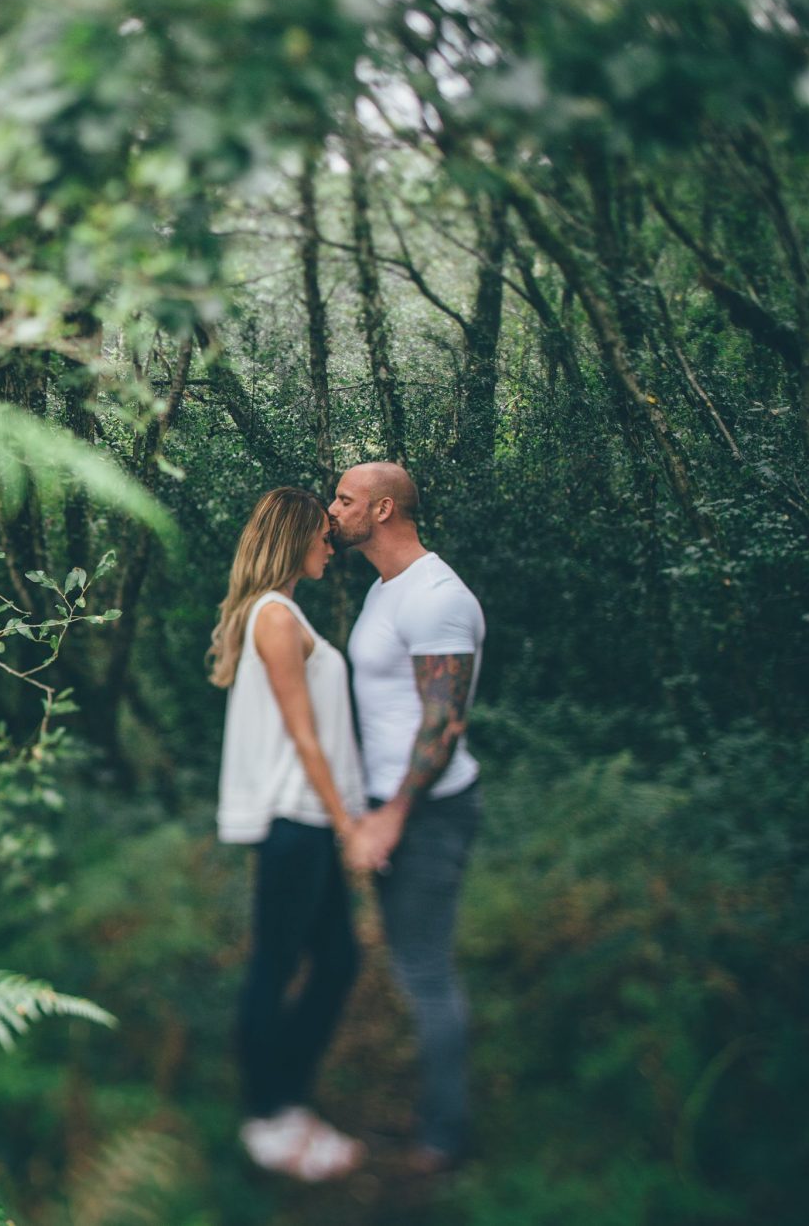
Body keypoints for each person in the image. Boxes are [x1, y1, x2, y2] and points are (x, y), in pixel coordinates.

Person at [329, 462, 486, 1174]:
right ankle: (428, 1108)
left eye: (345, 499)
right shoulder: (385, 586)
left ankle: (444, 1136)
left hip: (426, 810)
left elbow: (443, 721)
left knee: (425, 970)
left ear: (384, 509)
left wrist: (392, 814)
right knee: (408, 959)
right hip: (392, 804)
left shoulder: (436, 597)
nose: (333, 509)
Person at [210, 486, 368, 1182]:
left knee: (336, 961)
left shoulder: (278, 612)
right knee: (277, 965)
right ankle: (267, 1115)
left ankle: (288, 1097)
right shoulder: (275, 616)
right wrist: (348, 824)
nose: (330, 546)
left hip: (308, 823)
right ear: (296, 536)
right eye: (323, 536)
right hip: (298, 821)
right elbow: (303, 734)